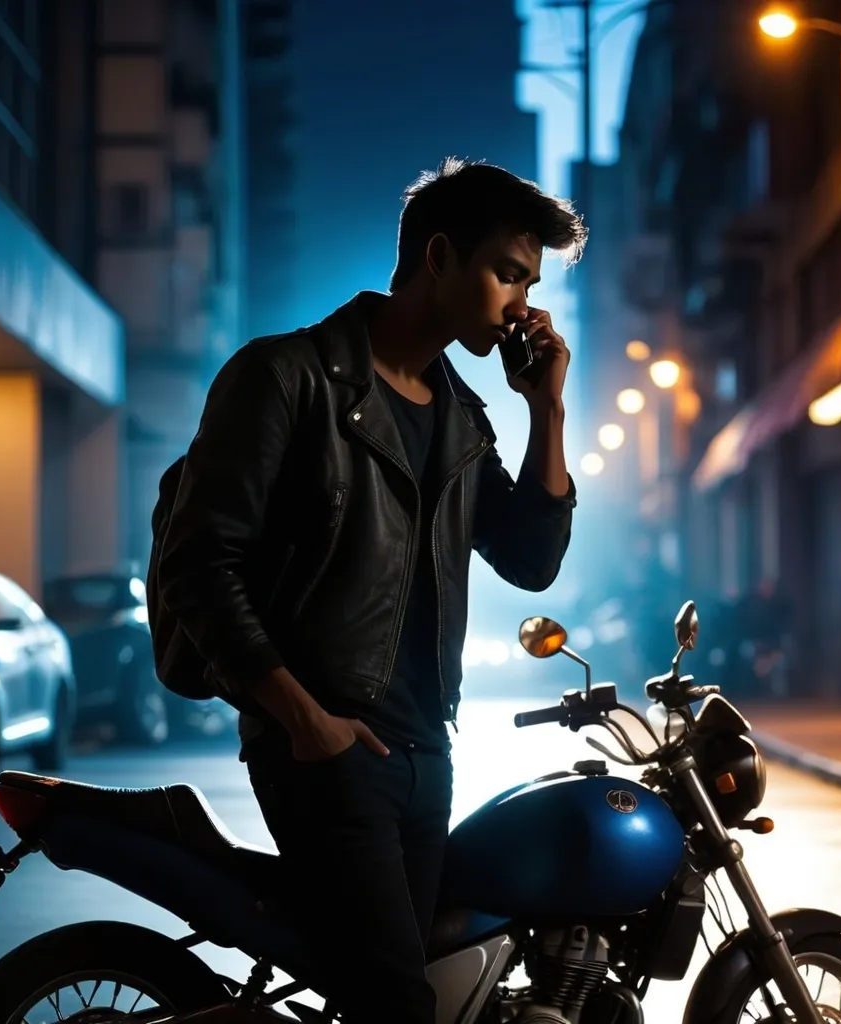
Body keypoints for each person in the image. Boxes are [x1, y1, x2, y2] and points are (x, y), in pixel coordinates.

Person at [157, 158, 587, 1023]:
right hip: (327, 748)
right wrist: (300, 716)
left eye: (531, 283)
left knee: (408, 987)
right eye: (508, 273)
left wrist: (547, 411)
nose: (520, 306)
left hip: (428, 753)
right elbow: (200, 565)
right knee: (396, 1005)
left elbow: (530, 558)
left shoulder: (462, 416)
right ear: (438, 257)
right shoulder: (287, 379)